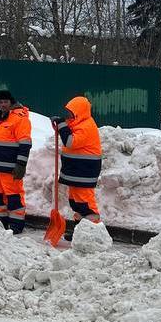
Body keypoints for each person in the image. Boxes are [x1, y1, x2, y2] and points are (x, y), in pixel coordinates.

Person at [0, 90, 32, 233]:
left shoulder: (19, 119)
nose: (3, 104)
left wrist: (21, 164)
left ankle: (16, 224)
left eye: (6, 102)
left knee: (14, 195)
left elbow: (25, 144)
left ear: (11, 103)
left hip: (10, 167)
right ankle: (0, 222)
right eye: (0, 102)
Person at [51, 96, 103, 228]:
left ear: (80, 112)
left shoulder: (86, 126)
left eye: (71, 112)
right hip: (76, 170)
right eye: (68, 112)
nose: (68, 115)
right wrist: (61, 125)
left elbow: (70, 142)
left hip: (85, 170)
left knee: (85, 203)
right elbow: (66, 134)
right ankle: (80, 230)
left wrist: (62, 125)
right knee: (76, 202)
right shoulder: (76, 124)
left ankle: (93, 231)